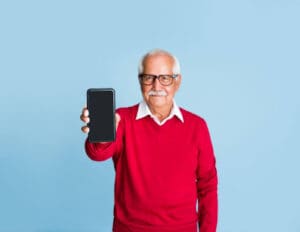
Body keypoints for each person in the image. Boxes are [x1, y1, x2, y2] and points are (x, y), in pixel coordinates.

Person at [80, 49, 218, 232]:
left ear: (177, 82)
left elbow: (207, 185)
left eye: (165, 78)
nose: (157, 86)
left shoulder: (197, 126)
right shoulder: (121, 119)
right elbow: (97, 154)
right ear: (140, 81)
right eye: (149, 78)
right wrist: (99, 133)